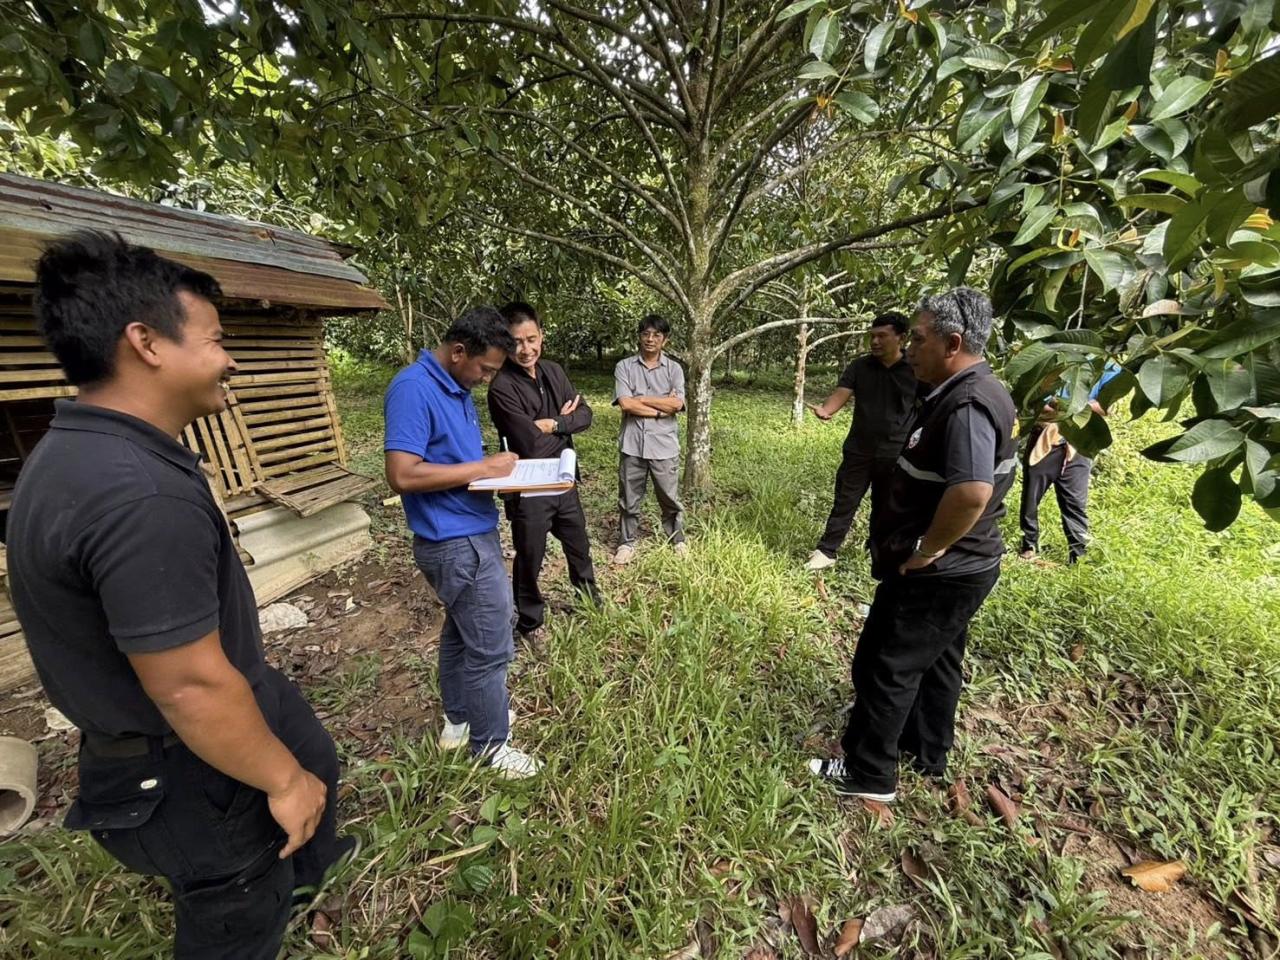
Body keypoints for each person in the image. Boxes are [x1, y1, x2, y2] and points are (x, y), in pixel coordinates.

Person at [7, 231, 351, 959]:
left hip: (219, 705)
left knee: (314, 759)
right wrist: (281, 780)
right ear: (147, 343)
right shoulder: (138, 494)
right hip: (187, 763)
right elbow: (190, 687)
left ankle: (307, 884)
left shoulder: (82, 452)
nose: (231, 359)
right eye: (217, 339)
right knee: (237, 913)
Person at [809, 288, 1018, 802]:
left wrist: (926, 549)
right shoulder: (976, 389)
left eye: (919, 339)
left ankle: (869, 775)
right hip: (968, 563)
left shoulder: (966, 404)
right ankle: (927, 751)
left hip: (940, 570)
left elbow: (971, 492)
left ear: (953, 343)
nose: (911, 349)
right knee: (939, 658)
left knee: (887, 664)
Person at [383, 307, 541, 779]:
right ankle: (491, 747)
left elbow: (449, 459)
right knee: (491, 645)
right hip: (455, 541)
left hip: (469, 529)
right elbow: (401, 474)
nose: (486, 378)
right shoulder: (414, 389)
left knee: (460, 631)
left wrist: (494, 474)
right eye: (485, 369)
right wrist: (483, 468)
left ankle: (460, 720)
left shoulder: (454, 385)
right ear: (458, 351)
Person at [486, 301, 600, 647]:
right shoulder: (502, 387)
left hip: (563, 480)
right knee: (530, 556)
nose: (526, 349)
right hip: (528, 487)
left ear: (541, 336)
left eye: (531, 339)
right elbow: (529, 444)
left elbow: (586, 415)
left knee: (579, 546)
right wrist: (565, 425)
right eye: (516, 342)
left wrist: (554, 424)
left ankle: (588, 600)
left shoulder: (553, 371)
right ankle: (530, 621)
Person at [805, 312, 917, 572]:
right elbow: (841, 392)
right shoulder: (860, 367)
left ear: (901, 338)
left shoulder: (915, 368)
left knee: (886, 505)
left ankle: (879, 551)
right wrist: (826, 410)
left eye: (882, 336)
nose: (875, 342)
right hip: (859, 449)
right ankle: (827, 550)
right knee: (845, 500)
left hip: (897, 453)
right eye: (872, 336)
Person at [1018, 362, 1121, 564]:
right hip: (1046, 436)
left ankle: (1078, 555)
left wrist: (1067, 407)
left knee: (1075, 502)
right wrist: (1070, 409)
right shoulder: (1058, 361)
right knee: (1031, 496)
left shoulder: (1109, 367)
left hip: (1079, 442)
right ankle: (1028, 546)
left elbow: (1106, 407)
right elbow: (1037, 402)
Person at [612, 314, 687, 564]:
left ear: (665, 340)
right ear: (639, 337)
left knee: (669, 497)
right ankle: (626, 543)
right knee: (629, 497)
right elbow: (625, 403)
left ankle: (677, 539)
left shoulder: (674, 369)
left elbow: (677, 404)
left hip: (664, 445)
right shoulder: (624, 367)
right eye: (645, 334)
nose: (650, 339)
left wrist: (641, 398)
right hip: (632, 443)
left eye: (656, 335)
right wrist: (659, 408)